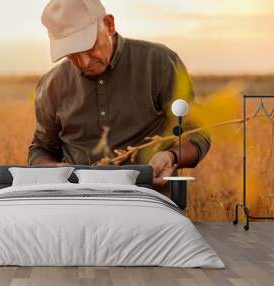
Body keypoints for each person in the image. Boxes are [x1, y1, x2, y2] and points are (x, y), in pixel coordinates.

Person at [28, 0, 210, 189]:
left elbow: (198, 131)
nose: (84, 62)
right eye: (72, 55)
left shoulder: (159, 63)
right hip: (76, 204)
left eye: (90, 47)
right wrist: (51, 169)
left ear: (109, 25)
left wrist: (171, 156)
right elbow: (41, 148)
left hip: (149, 201)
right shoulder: (52, 84)